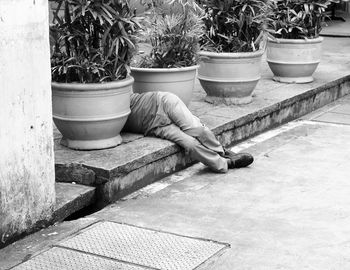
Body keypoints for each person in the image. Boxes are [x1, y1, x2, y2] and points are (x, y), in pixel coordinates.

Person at [124, 92, 254, 173]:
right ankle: (225, 163)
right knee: (190, 144)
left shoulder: (117, 91)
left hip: (162, 102)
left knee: (196, 129)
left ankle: (222, 152)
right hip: (155, 126)